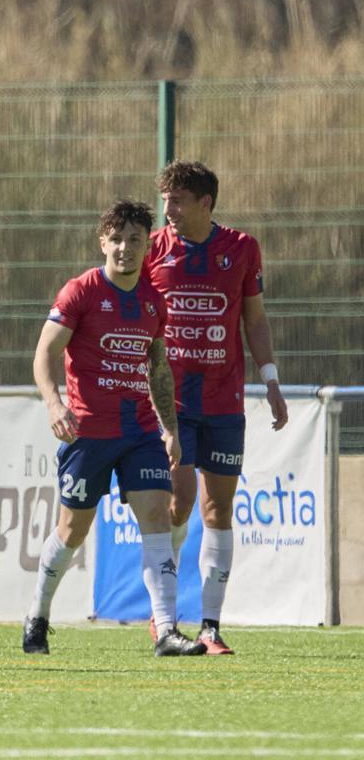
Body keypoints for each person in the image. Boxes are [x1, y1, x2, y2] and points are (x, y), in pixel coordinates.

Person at [23, 199, 205, 657]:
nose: (125, 248)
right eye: (117, 239)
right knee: (72, 532)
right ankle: (38, 614)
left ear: (147, 246)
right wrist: (53, 404)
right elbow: (44, 354)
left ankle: (165, 629)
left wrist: (171, 427)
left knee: (157, 518)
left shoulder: (151, 301)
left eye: (135, 240)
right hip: (88, 432)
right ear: (103, 241)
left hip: (140, 431)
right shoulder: (80, 292)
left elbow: (158, 367)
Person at [144, 161, 288, 654]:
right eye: (165, 200)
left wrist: (270, 379)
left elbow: (256, 319)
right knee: (180, 501)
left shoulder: (242, 249)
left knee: (218, 508)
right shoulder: (153, 249)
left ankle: (210, 626)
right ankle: (164, 615)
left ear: (205, 203)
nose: (169, 210)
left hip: (224, 400)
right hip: (173, 402)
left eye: (178, 200)